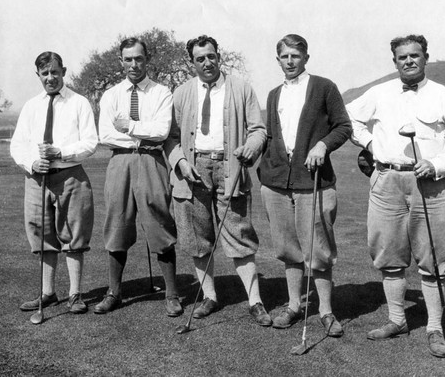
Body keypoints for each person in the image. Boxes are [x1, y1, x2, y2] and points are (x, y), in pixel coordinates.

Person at [346, 34, 445, 358]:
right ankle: (397, 320)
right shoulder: (380, 92)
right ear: (395, 61)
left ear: (426, 57)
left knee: (434, 260)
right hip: (387, 182)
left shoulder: (444, 96)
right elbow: (348, 119)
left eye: (415, 55)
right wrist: (371, 145)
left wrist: (436, 164)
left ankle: (434, 328)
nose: (409, 61)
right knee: (388, 256)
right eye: (402, 57)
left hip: (432, 187)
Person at [165, 35, 271, 326]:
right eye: (200, 58)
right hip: (192, 171)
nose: (207, 62)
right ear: (193, 62)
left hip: (230, 167)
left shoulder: (241, 88)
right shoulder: (182, 92)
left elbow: (258, 129)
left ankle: (256, 301)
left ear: (218, 56)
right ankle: (209, 296)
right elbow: (170, 139)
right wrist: (181, 162)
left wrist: (251, 147)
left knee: (239, 235)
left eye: (211, 56)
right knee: (197, 239)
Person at [258, 34, 352, 336]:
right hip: (276, 183)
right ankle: (294, 305)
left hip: (314, 181)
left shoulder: (324, 87)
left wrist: (323, 145)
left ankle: (325, 311)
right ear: (278, 60)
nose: (289, 61)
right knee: (288, 249)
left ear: (306, 58)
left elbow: (344, 127)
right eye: (284, 56)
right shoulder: (273, 94)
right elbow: (271, 136)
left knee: (319, 250)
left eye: (295, 56)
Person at [95, 38, 181, 316]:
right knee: (117, 223)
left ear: (147, 59)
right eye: (128, 59)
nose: (134, 64)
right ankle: (114, 293)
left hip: (151, 160)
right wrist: (140, 130)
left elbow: (161, 131)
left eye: (139, 59)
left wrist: (130, 126)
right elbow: (106, 134)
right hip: (119, 162)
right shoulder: (111, 94)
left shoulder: (161, 92)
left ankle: (172, 294)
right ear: (121, 61)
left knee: (159, 222)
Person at [11, 51, 98, 314]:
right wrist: (32, 163)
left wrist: (60, 153)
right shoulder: (30, 106)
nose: (50, 78)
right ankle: (47, 293)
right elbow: (18, 145)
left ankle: (75, 294)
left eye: (55, 72)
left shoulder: (79, 102)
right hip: (37, 179)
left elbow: (91, 142)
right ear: (37, 75)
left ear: (64, 71)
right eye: (44, 73)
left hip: (70, 176)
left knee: (73, 235)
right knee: (41, 236)